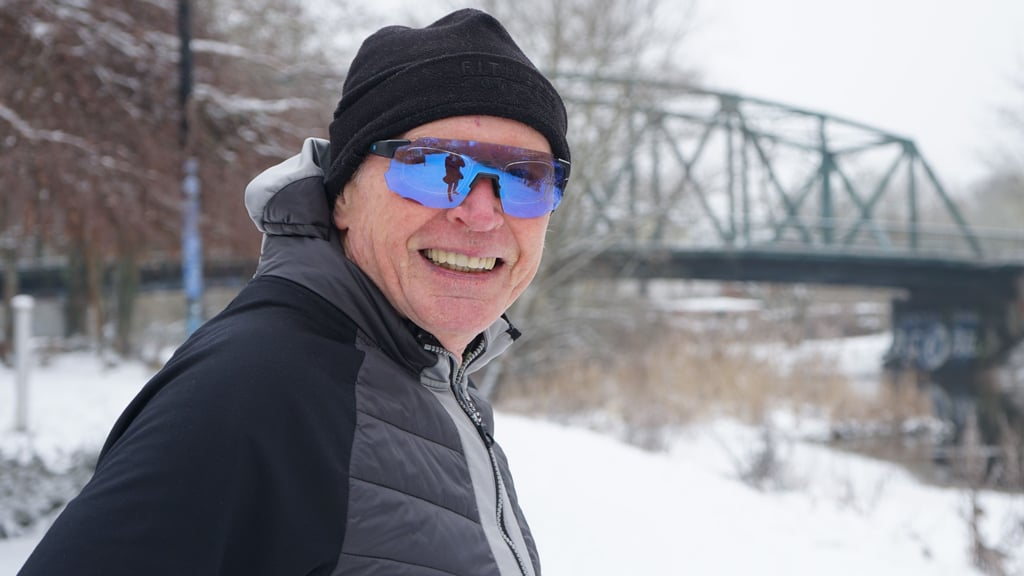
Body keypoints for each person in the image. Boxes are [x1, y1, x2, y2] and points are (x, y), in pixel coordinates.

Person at [19, 8, 570, 576]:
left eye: (525, 179)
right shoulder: (255, 385)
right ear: (343, 198)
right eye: (435, 166)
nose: (481, 214)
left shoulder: (425, 381)